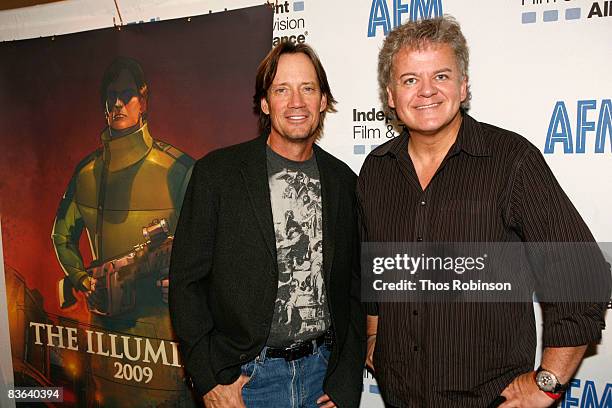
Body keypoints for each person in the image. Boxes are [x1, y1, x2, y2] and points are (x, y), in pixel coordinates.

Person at [357, 16, 611, 408]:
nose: (426, 91)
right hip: (400, 397)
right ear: (391, 95)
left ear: (463, 86)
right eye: (410, 80)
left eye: (441, 76)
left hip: (489, 400)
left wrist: (548, 381)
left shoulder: (511, 161)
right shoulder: (376, 170)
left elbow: (581, 272)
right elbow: (375, 267)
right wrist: (374, 335)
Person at [169, 42, 365, 408]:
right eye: (281, 90)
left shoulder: (343, 181)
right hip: (245, 382)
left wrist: (346, 381)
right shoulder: (217, 174)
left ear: (323, 100)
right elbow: (186, 283)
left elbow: (353, 290)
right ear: (264, 103)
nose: (296, 102)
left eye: (308, 88)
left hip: (322, 377)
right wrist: (210, 378)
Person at [51, 56, 195, 406]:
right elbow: (61, 236)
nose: (117, 104)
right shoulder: (87, 172)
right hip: (106, 337)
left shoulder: (178, 169)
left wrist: (185, 284)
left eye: (127, 94)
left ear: (143, 99)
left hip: (165, 338)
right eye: (110, 95)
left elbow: (211, 247)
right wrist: (83, 281)